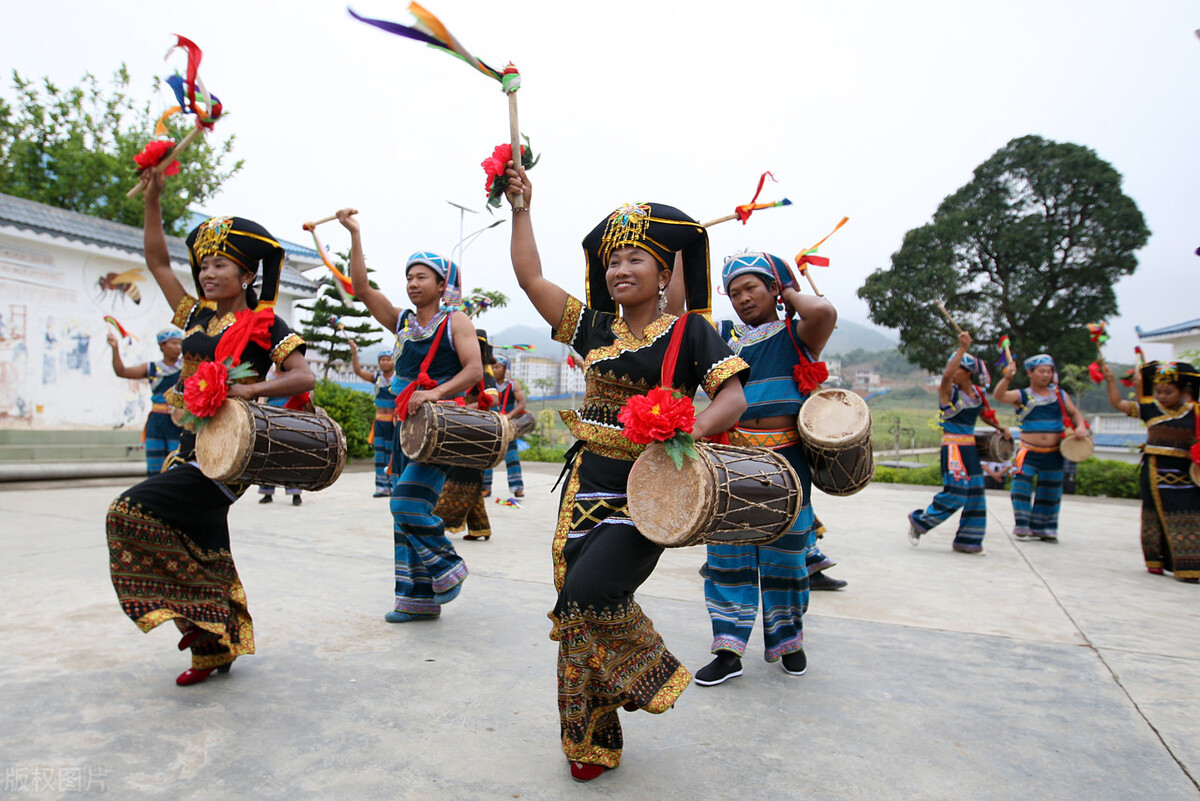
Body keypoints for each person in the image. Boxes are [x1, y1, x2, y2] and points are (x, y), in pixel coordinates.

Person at [503, 165, 749, 782]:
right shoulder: (592, 328)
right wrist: (521, 209)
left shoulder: (692, 330)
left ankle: (654, 674)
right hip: (585, 488)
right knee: (575, 612)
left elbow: (733, 399)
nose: (620, 269)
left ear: (664, 272)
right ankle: (591, 742)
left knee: (590, 597)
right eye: (612, 261)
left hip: (652, 494)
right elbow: (531, 278)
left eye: (635, 258)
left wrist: (684, 429)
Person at [105, 169, 315, 686]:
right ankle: (214, 648)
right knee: (204, 542)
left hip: (230, 451)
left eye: (220, 264)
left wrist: (249, 389)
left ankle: (205, 618)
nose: (207, 273)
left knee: (128, 512)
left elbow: (302, 376)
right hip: (186, 440)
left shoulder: (268, 325)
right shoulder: (194, 316)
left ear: (246, 275)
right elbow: (156, 259)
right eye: (203, 265)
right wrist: (154, 197)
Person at [682, 250, 835, 686]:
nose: (742, 298)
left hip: (787, 458)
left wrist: (787, 287)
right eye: (734, 292)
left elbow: (823, 309)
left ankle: (789, 639)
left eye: (752, 287)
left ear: (773, 289)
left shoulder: (798, 332)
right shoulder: (724, 340)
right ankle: (728, 650)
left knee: (785, 557)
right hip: (732, 456)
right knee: (727, 555)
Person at [336, 208, 483, 622]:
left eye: (421, 277)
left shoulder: (456, 320)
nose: (413, 283)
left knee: (404, 502)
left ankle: (447, 569)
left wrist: (433, 392)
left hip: (438, 428)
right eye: (409, 277)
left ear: (441, 284)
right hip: (405, 427)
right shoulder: (401, 321)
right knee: (407, 515)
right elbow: (361, 287)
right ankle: (418, 600)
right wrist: (355, 234)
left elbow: (473, 370)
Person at [908, 331, 1011, 553]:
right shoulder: (947, 391)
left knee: (975, 494)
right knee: (957, 491)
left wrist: (999, 428)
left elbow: (984, 414)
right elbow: (946, 375)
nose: (953, 372)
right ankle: (921, 521)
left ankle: (968, 540)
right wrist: (962, 348)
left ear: (968, 373)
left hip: (970, 448)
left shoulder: (977, 394)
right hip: (953, 447)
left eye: (958, 368)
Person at [1102, 361, 1200, 581]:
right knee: (1153, 516)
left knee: (1187, 517)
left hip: (1187, 474)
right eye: (1159, 391)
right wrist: (1110, 380)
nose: (1163, 396)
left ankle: (1189, 567)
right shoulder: (1150, 409)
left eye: (1168, 391)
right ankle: (1156, 560)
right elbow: (1118, 403)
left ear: (1183, 391)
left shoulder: (1196, 413)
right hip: (1154, 472)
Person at [993, 353, 1088, 542]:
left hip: (1054, 452)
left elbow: (1075, 413)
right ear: (1030, 373)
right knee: (1021, 487)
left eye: (1049, 371)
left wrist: (1081, 427)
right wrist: (1007, 378)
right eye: (1041, 371)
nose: (1046, 375)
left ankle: (1044, 527)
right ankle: (1022, 525)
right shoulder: (1022, 395)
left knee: (1051, 490)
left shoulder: (1060, 395)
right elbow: (999, 395)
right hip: (1027, 451)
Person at [434, 330, 500, 542]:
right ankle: (480, 527)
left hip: (477, 432)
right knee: (467, 479)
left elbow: (493, 399)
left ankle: (438, 522)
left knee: (462, 477)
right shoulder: (459, 370)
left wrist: (466, 408)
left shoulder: (483, 373)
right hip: (460, 427)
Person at [106, 327, 184, 475]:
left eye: (180, 344)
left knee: (175, 467)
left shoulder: (186, 368)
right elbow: (121, 371)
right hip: (157, 422)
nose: (178, 348)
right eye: (174, 343)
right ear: (162, 345)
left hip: (178, 423)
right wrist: (115, 347)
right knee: (155, 468)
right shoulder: (152, 368)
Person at [349, 338, 398, 497]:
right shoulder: (376, 377)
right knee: (379, 455)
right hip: (379, 422)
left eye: (388, 359)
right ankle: (381, 487)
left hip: (393, 422)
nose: (385, 362)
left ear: (393, 361)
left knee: (392, 453)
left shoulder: (397, 379)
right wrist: (354, 353)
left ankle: (393, 486)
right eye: (382, 360)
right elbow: (358, 371)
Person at [481, 353, 527, 499]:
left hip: (507, 425)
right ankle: (485, 487)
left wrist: (509, 415)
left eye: (498, 367)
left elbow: (522, 403)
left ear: (505, 368)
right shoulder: (487, 384)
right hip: (491, 424)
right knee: (488, 455)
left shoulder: (513, 384)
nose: (495, 370)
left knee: (512, 456)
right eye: (492, 367)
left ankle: (517, 487)